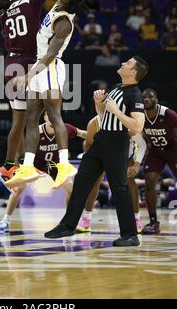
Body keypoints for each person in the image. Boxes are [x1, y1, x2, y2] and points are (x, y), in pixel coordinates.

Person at [0, 0, 93, 188]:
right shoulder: (53, 5)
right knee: (30, 118)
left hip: (37, 64)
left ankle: (59, 163)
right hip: (30, 63)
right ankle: (24, 166)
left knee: (48, 115)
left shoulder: (60, 19)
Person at [45, 56, 148, 247]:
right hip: (101, 139)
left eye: (128, 63)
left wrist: (116, 111)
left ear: (134, 72)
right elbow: (103, 117)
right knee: (82, 182)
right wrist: (99, 104)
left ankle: (130, 235)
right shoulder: (118, 88)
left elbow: (137, 127)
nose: (123, 63)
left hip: (117, 144)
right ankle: (67, 225)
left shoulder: (135, 94)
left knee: (120, 189)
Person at [0, 112, 85, 232]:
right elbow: (20, 142)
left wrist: (95, 135)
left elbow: (82, 133)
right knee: (18, 189)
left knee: (71, 189)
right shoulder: (36, 131)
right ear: (44, 118)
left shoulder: (64, 129)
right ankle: (6, 220)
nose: (51, 118)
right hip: (35, 164)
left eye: (54, 115)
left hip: (54, 165)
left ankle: (67, 221)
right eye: (48, 116)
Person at [75, 115, 147, 233]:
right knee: (95, 182)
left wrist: (137, 163)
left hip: (124, 153)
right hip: (103, 152)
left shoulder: (126, 118)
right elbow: (88, 144)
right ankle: (86, 219)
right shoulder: (95, 122)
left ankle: (136, 219)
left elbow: (141, 143)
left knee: (130, 181)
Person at [141, 89, 177, 234]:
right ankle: (153, 222)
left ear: (156, 99)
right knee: (149, 182)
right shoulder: (140, 115)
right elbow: (142, 135)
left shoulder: (168, 114)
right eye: (143, 97)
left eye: (150, 97)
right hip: (155, 151)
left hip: (173, 149)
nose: (146, 99)